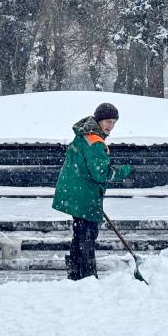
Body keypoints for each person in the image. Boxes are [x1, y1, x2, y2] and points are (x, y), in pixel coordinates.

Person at [52, 102, 133, 280]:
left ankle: (75, 274)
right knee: (87, 236)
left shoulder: (84, 135)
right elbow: (100, 173)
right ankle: (88, 276)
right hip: (83, 195)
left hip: (75, 193)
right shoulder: (95, 141)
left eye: (114, 122)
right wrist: (123, 171)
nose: (111, 126)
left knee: (79, 234)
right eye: (108, 121)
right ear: (99, 120)